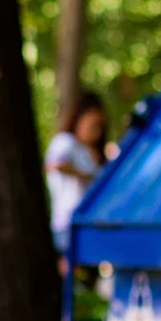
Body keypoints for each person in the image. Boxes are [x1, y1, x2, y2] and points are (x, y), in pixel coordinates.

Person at [45, 91, 108, 273]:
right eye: (93, 125)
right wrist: (84, 175)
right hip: (67, 222)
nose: (96, 133)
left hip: (89, 223)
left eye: (100, 127)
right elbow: (54, 165)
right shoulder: (66, 142)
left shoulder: (90, 152)